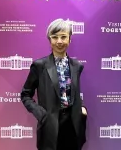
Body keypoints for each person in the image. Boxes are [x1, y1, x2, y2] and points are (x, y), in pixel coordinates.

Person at [20, 18, 87, 150]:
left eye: (63, 37)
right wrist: (40, 113)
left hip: (73, 124)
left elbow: (73, 93)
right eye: (55, 37)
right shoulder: (39, 66)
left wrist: (82, 108)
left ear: (70, 39)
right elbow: (25, 94)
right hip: (50, 124)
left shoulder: (77, 66)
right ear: (50, 40)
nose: (59, 41)